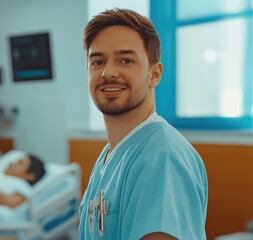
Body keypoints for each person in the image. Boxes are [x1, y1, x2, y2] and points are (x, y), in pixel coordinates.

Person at [79, 8, 208, 239]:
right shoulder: (110, 155)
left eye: (125, 60)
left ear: (154, 74)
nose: (108, 72)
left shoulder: (162, 157)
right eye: (97, 62)